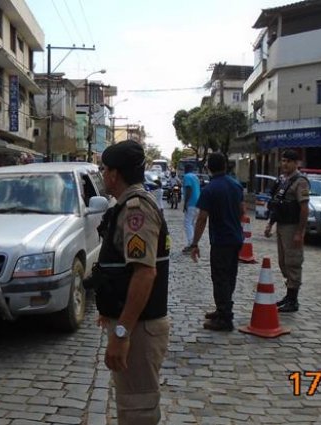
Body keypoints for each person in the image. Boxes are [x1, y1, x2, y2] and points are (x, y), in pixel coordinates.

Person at [90, 140, 170, 424]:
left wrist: (122, 333)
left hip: (138, 329)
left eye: (104, 170)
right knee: (130, 404)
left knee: (137, 409)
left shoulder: (136, 210)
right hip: (132, 324)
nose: (102, 175)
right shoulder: (124, 206)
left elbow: (144, 273)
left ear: (113, 174)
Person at [190, 152, 244, 331]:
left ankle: (225, 318)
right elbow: (242, 211)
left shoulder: (210, 189)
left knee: (220, 278)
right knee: (230, 276)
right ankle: (223, 309)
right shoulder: (236, 185)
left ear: (208, 168)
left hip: (221, 240)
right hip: (235, 238)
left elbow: (202, 218)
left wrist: (195, 243)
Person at [264, 149, 310, 313]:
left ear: (296, 163)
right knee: (283, 262)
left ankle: (293, 299)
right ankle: (288, 295)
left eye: (288, 161)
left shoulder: (300, 182)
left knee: (293, 262)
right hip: (282, 225)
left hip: (292, 226)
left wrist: (300, 232)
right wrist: (270, 224)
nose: (284, 164)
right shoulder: (283, 181)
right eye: (283, 161)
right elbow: (277, 204)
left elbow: (304, 209)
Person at [182, 164, 201, 253]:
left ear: (185, 169)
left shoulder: (187, 176)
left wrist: (185, 203)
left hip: (191, 202)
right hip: (198, 202)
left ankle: (191, 244)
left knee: (187, 223)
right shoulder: (195, 177)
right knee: (192, 223)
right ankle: (194, 242)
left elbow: (189, 189)